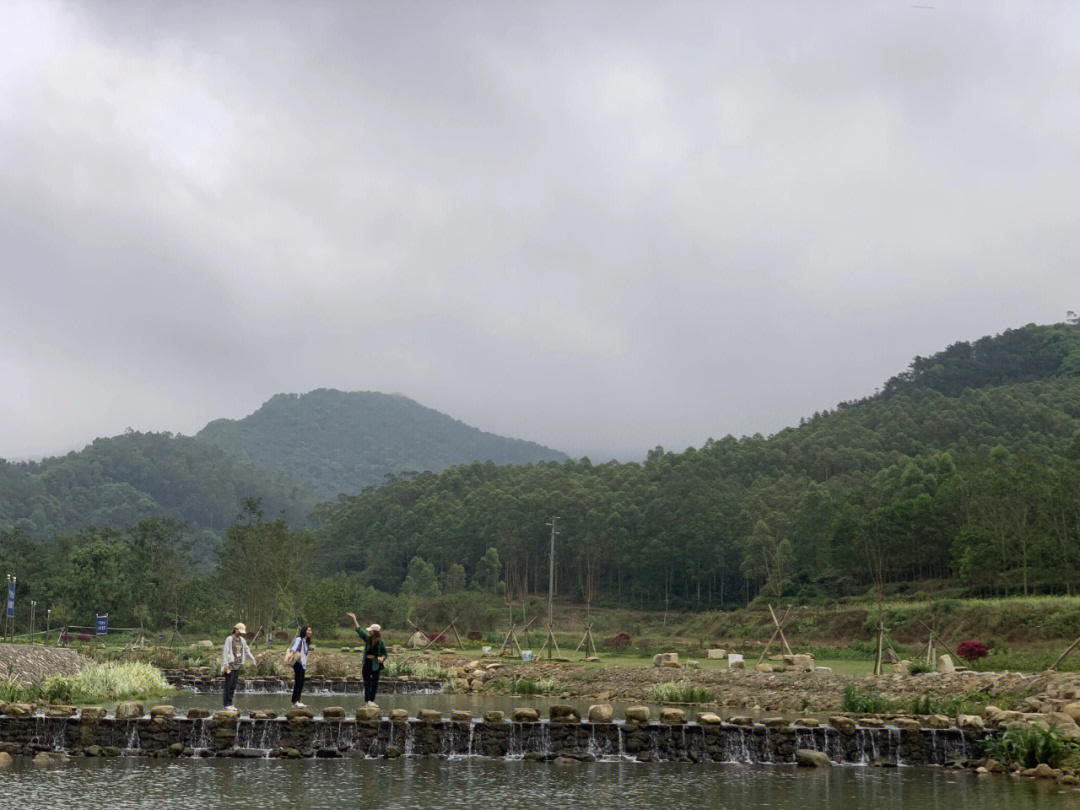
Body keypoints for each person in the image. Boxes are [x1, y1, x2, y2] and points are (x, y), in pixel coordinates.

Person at [346, 612, 387, 705]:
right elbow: (359, 630)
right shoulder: (367, 639)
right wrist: (354, 619)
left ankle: (372, 701)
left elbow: (385, 654)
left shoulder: (381, 642)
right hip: (367, 663)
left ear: (375, 632)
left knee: (374, 684)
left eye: (371, 630)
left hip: (376, 664)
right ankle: (367, 701)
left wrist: (382, 658)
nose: (369, 631)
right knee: (367, 683)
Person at [222, 622, 256, 710]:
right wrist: (225, 664)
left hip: (238, 665)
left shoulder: (242, 640)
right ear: (235, 629)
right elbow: (225, 652)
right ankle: (226, 704)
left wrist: (252, 662)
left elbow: (246, 651)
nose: (240, 633)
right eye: (239, 631)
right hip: (230, 665)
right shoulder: (229, 639)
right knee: (228, 685)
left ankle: (230, 703)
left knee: (233, 685)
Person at [289, 625, 312, 708]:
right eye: (308, 630)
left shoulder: (306, 641)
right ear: (304, 631)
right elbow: (294, 648)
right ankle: (294, 701)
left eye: (310, 631)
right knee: (298, 682)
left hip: (303, 664)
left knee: (301, 683)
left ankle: (298, 701)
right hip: (298, 663)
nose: (310, 632)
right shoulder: (299, 639)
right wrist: (290, 655)